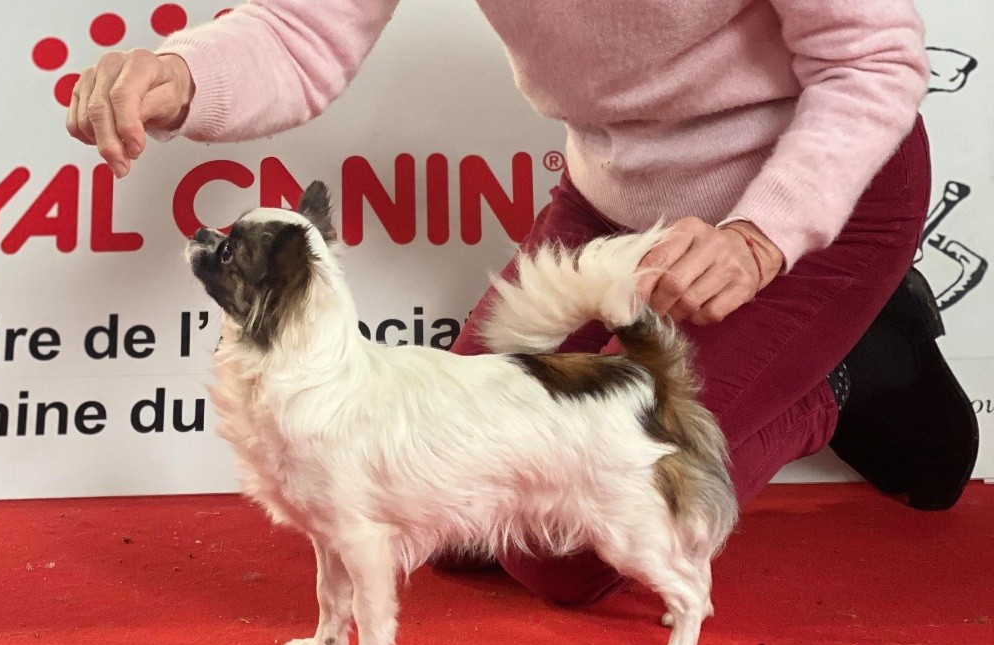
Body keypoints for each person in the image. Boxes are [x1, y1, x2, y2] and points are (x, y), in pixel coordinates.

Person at [67, 0, 979, 606]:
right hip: (616, 203)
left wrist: (762, 237)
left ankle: (852, 370)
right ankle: (825, 352)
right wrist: (181, 74)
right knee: (439, 505)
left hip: (808, 208)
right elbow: (301, 28)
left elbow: (872, 60)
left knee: (565, 555)